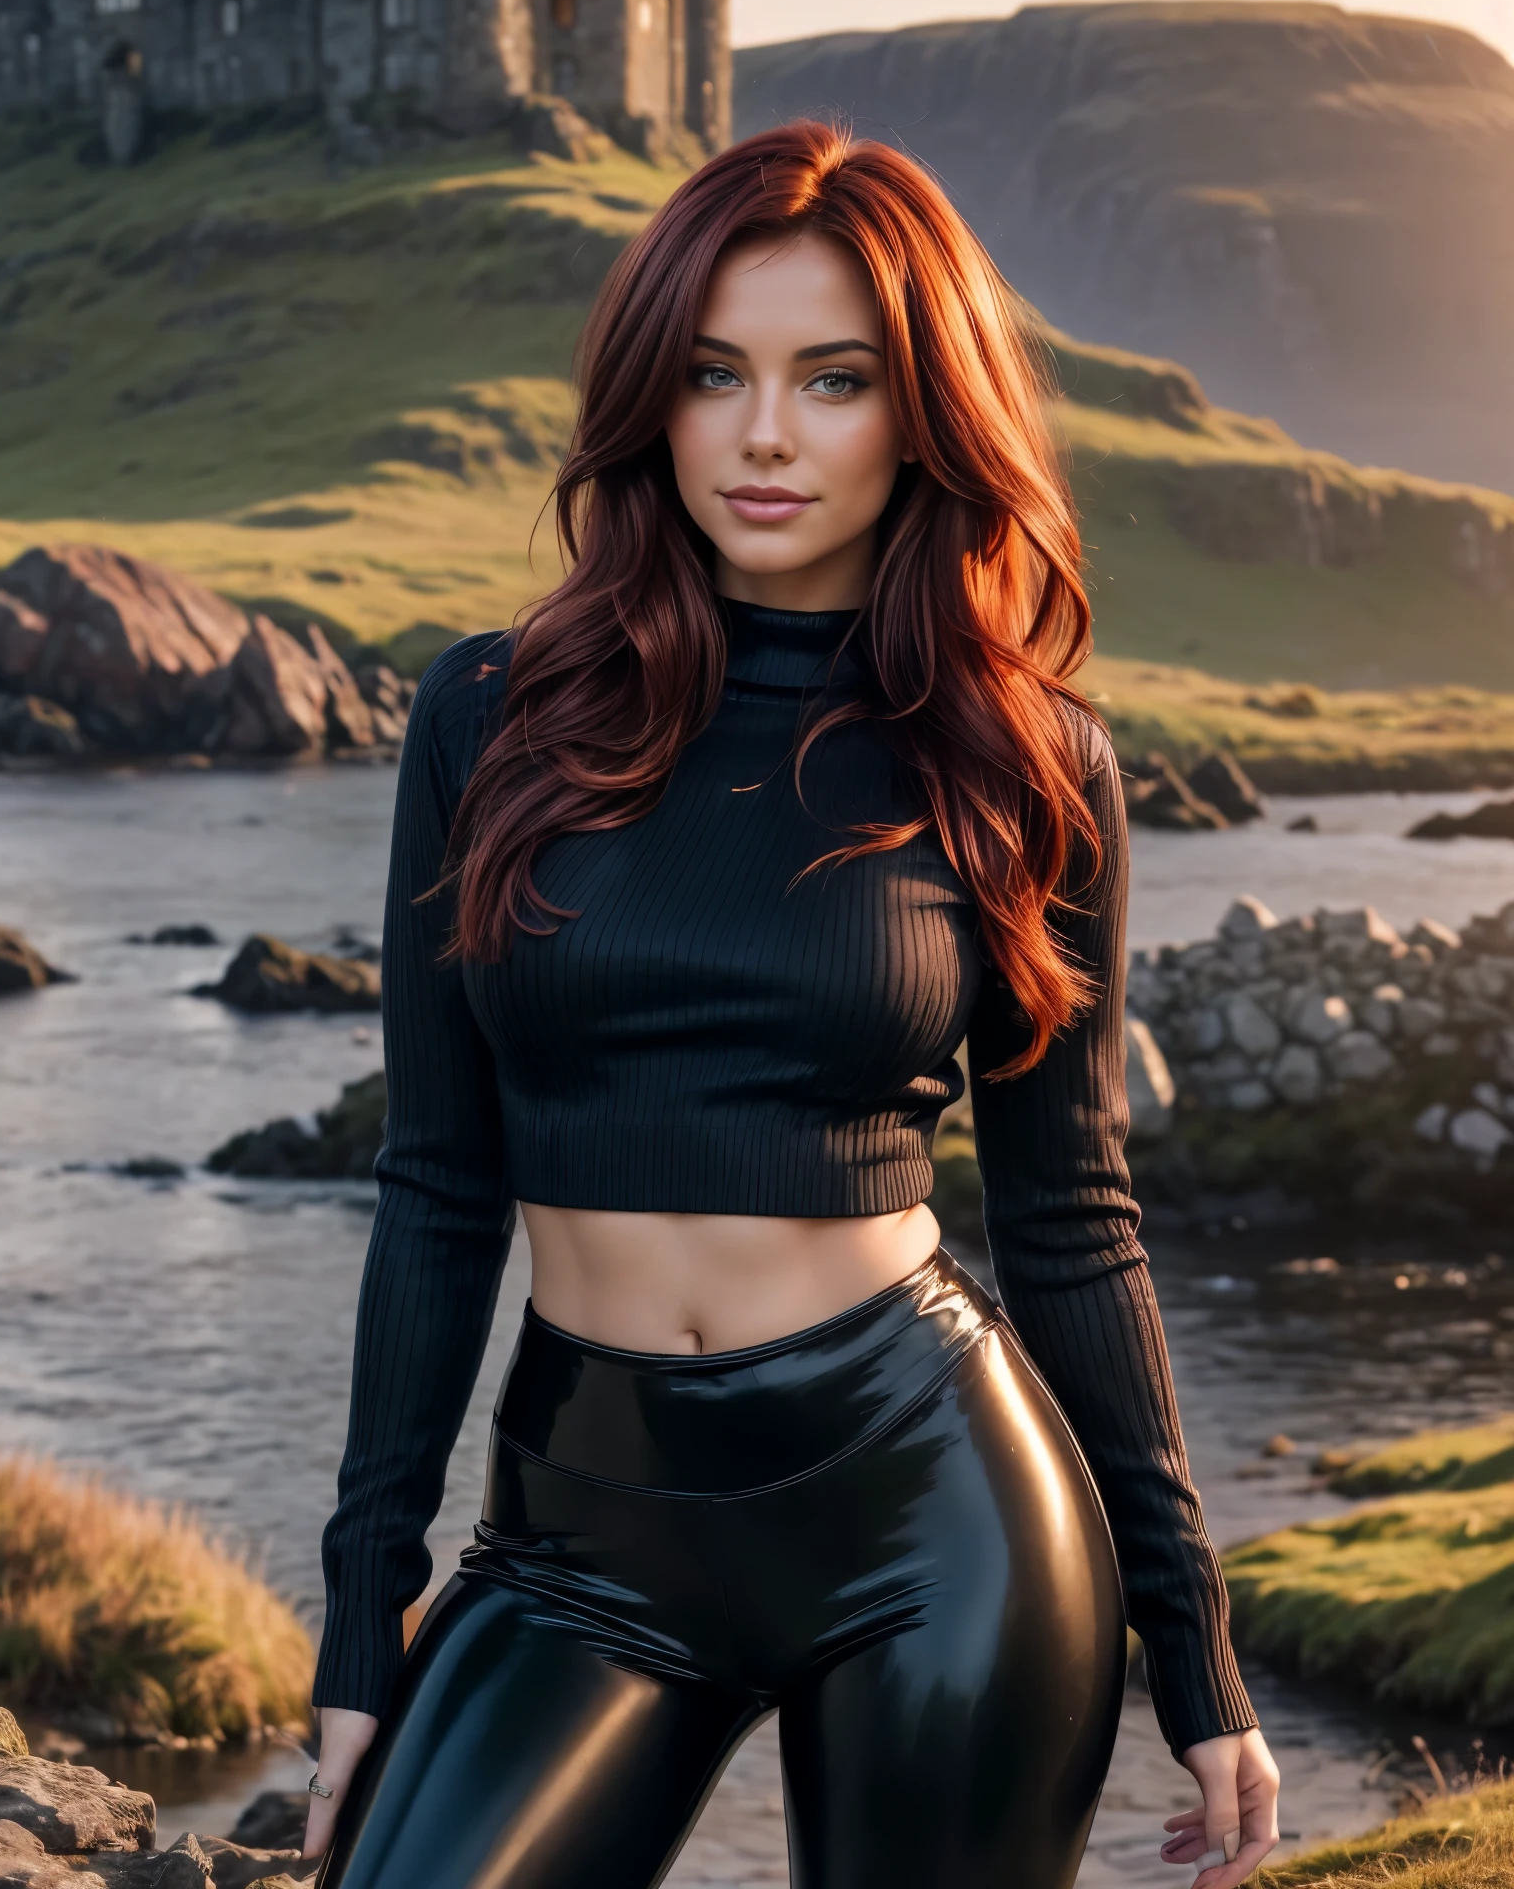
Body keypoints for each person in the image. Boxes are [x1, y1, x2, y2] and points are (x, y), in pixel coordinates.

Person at [304, 121, 1280, 1889]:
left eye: (834, 379)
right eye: (713, 374)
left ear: (921, 407)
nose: (765, 436)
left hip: (932, 1515)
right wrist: (363, 1620)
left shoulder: (1022, 754)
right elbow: (438, 1183)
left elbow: (1073, 1220)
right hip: (575, 1528)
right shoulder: (490, 716)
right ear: (649, 398)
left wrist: (1196, 1653)